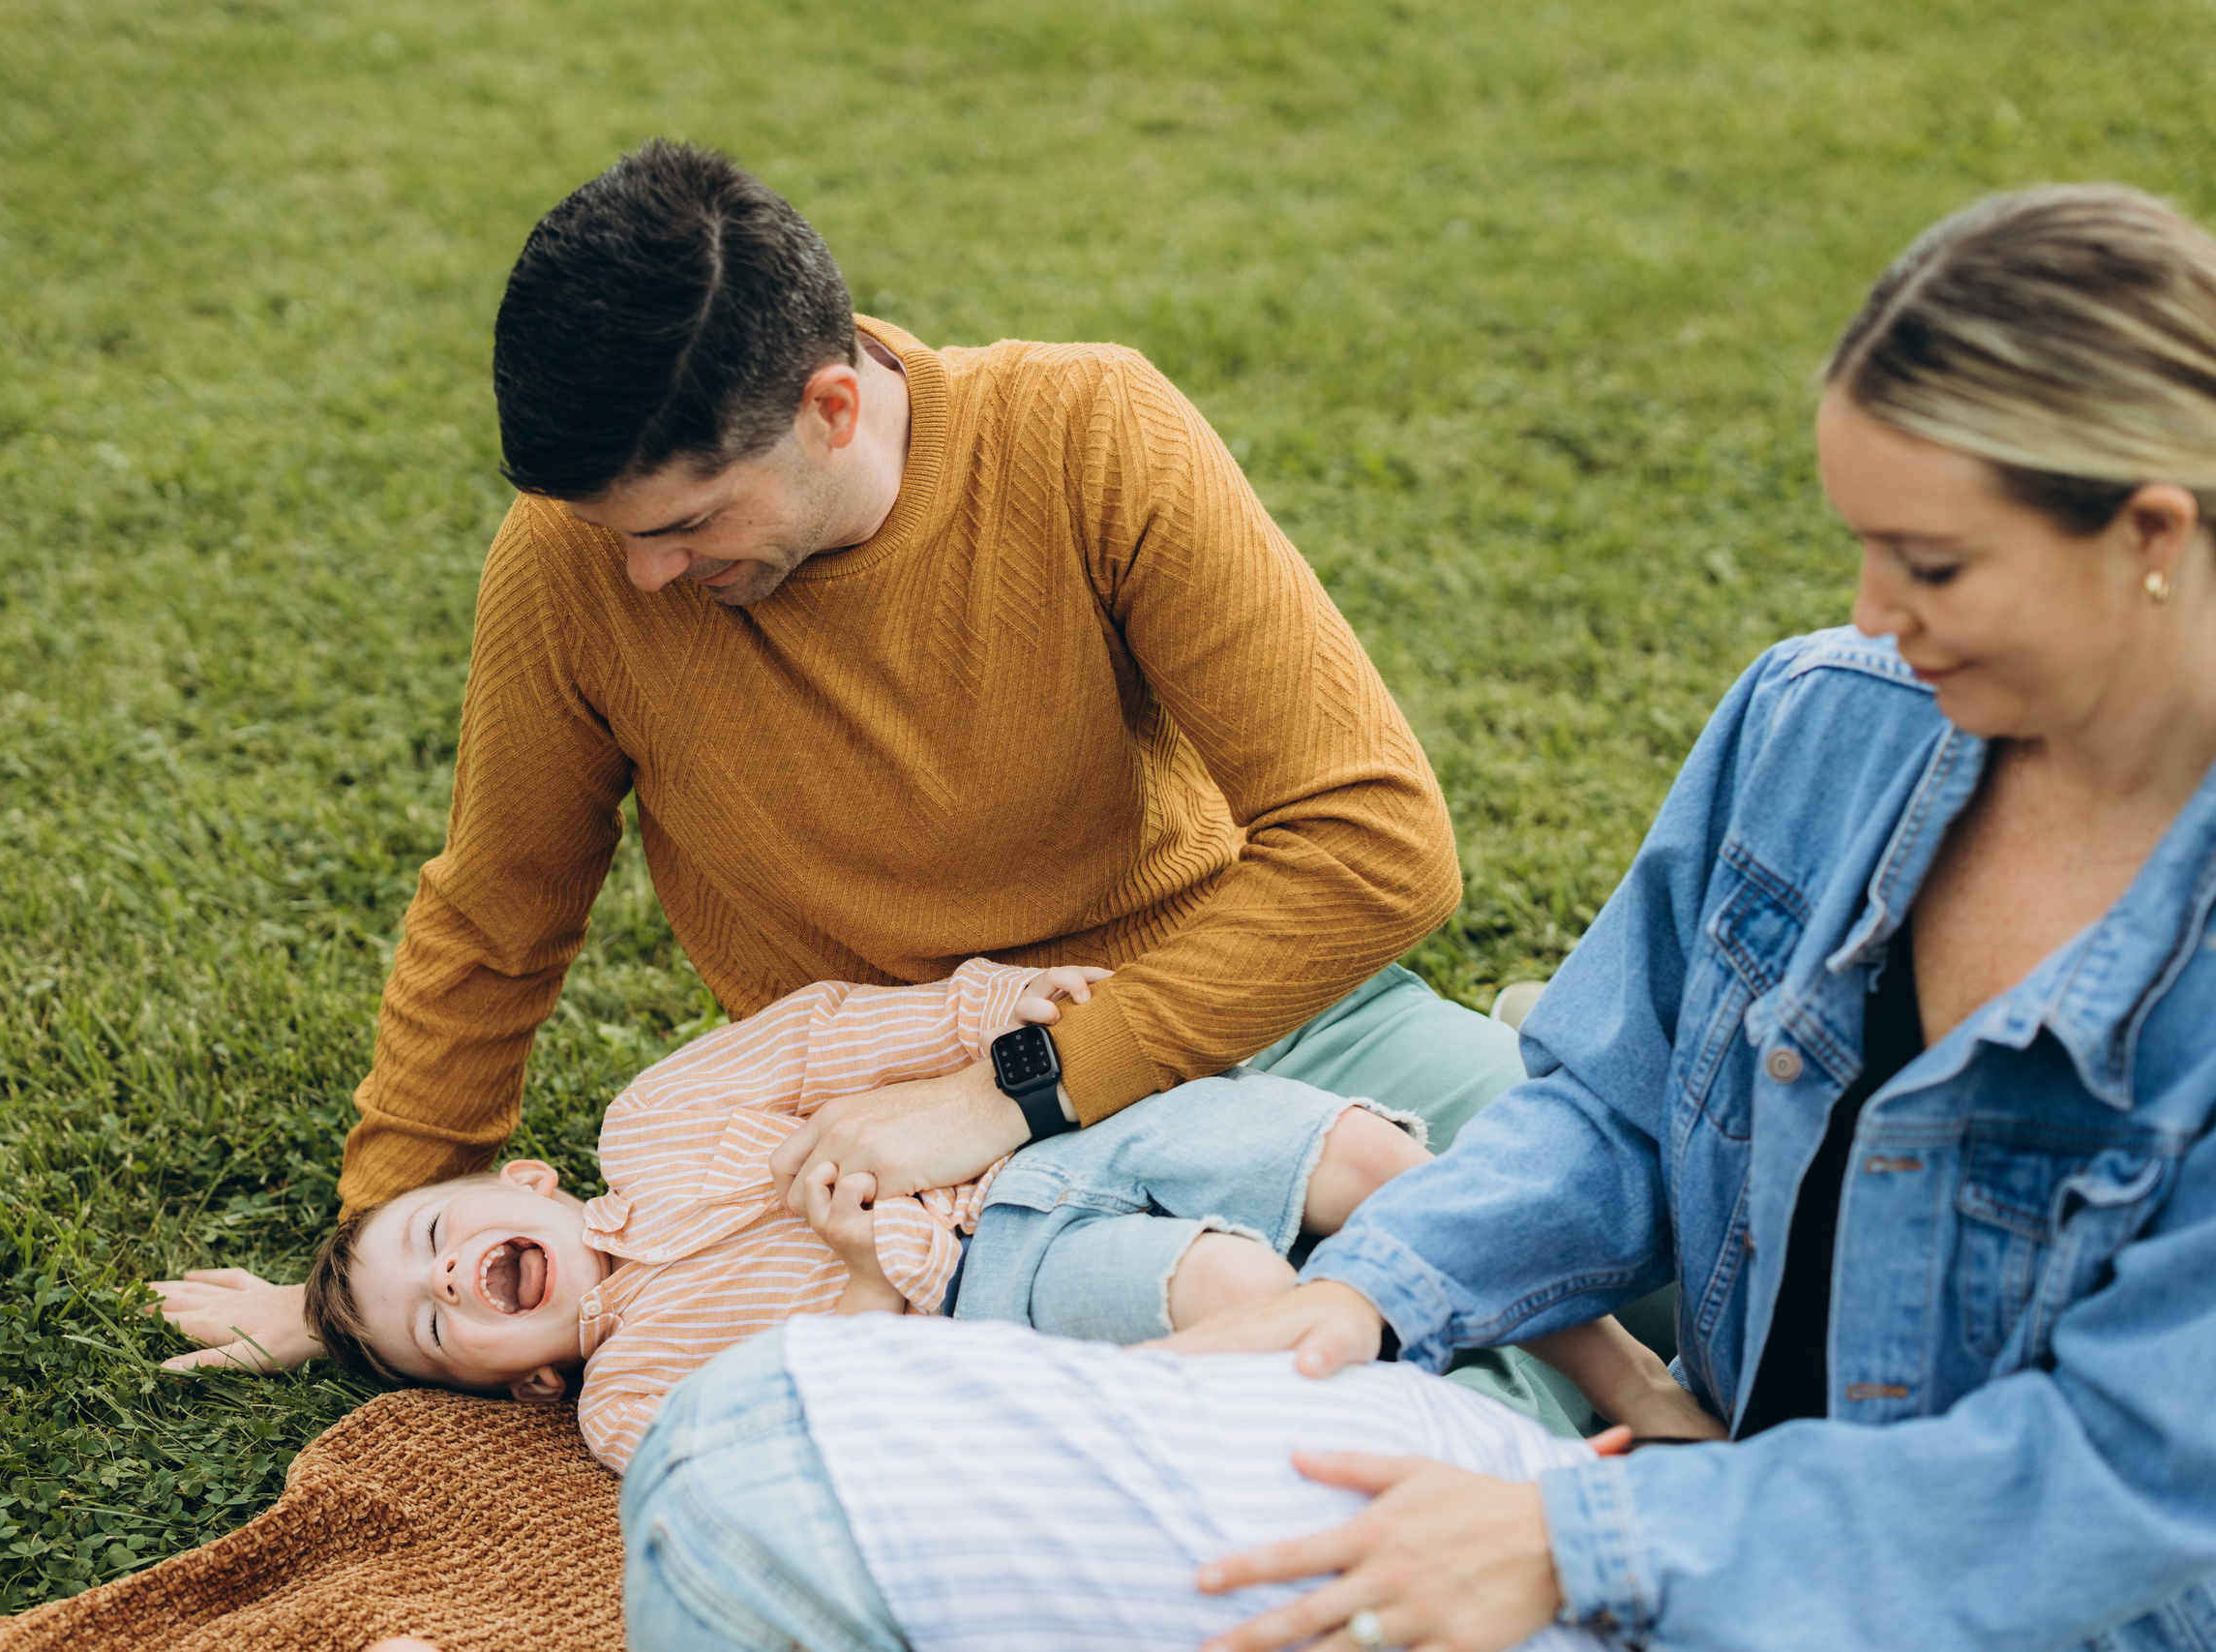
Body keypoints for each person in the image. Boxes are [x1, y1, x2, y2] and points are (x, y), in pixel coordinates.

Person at [621, 183, 2216, 1652]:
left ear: (2149, 539)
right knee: (737, 1451)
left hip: (1885, 1594)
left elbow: (2119, 1490)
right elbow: (1606, 1110)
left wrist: (1579, 1538)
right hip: (1640, 1514)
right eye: (1860, 545)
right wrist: (1366, 1292)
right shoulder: (1825, 723)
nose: (1870, 612)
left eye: (1930, 561)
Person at [149, 137, 1547, 1403]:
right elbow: (499, 910)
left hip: (1240, 1014)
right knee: (1423, 1407)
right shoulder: (572, 565)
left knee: (1637, 1232)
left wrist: (1008, 1085)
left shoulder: (1087, 432)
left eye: (689, 522)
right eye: (611, 530)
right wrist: (367, 1278)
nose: (644, 574)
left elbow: (1374, 842)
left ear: (832, 406)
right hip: (922, 1183)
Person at [299, 959, 1710, 1471]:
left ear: (523, 1183)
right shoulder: (628, 1400)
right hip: (1000, 1282)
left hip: (1060, 1132)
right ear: (521, 1378)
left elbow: (823, 1036)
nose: (452, 1281)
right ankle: (1536, 1471)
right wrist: (859, 1275)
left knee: (1356, 1155)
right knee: (1230, 1293)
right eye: (438, 1329)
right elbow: (839, 1415)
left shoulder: (653, 1121)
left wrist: (995, 1012)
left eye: (437, 1236)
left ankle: (1624, 1379)